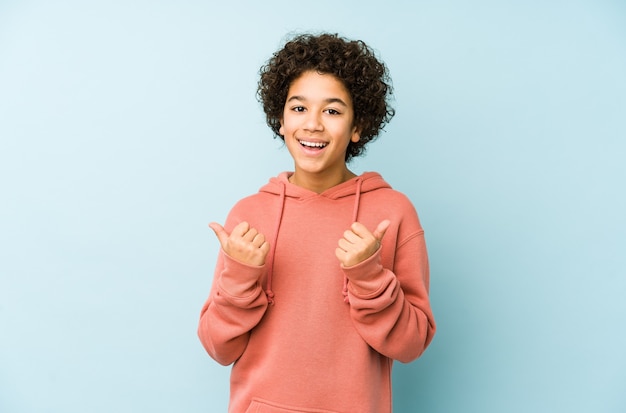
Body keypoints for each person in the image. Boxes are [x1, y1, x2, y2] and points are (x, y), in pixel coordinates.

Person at [198, 32, 436, 413]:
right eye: (298, 108)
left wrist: (370, 278)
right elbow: (218, 347)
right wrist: (240, 279)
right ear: (280, 119)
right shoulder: (248, 215)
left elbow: (410, 345)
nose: (312, 124)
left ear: (358, 127)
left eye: (332, 110)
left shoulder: (392, 214)